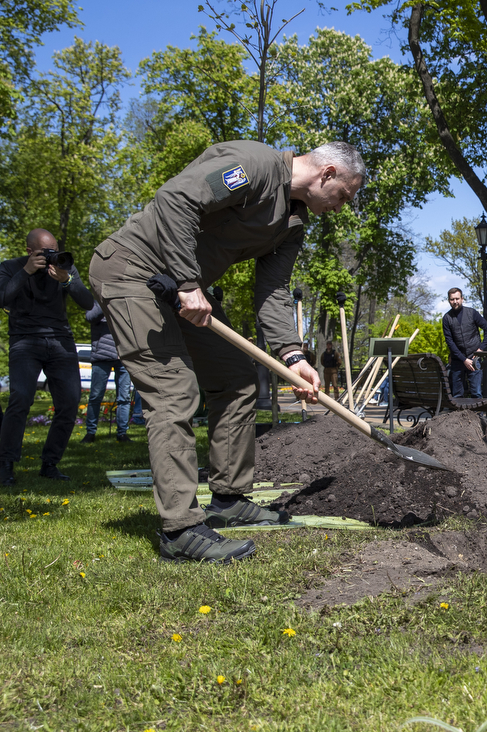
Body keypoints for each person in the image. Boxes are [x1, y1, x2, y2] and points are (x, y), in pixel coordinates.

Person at [89, 140, 360, 563]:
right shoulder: (254, 165)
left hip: (181, 290)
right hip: (134, 272)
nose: (341, 207)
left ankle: (229, 499)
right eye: (344, 195)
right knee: (173, 391)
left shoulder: (293, 226)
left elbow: (271, 292)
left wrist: (294, 356)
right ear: (327, 174)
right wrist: (186, 282)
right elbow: (175, 200)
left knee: (235, 377)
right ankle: (180, 530)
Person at [0, 229, 95, 483]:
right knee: (20, 398)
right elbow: (2, 297)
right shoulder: (11, 267)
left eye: (54, 249)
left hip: (60, 340)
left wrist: (66, 280)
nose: (52, 255)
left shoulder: (65, 267)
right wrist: (26, 271)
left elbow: (87, 302)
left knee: (70, 402)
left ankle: (50, 463)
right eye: (45, 252)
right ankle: (6, 464)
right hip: (24, 339)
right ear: (30, 251)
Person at [81, 301, 132, 443]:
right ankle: (90, 433)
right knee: (95, 396)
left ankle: (122, 433)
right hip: (102, 356)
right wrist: (106, 302)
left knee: (124, 397)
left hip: (124, 355)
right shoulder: (98, 300)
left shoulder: (124, 301)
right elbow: (90, 317)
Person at [441, 287, 487, 398]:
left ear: (462, 299)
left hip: (474, 359)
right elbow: (449, 342)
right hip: (457, 360)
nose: (455, 302)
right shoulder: (447, 318)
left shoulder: (472, 313)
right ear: (449, 300)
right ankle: (459, 416)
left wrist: (481, 349)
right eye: (452, 299)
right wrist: (463, 360)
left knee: (476, 393)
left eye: (457, 298)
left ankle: (478, 415)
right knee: (457, 395)